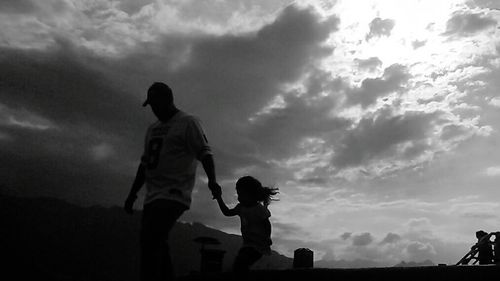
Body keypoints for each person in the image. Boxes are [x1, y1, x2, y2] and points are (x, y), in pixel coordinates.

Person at [124, 82, 220, 281]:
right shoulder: (153, 129)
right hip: (152, 195)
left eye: (156, 104)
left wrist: (212, 180)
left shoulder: (188, 122)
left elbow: (205, 153)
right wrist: (132, 193)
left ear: (167, 100)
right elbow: (145, 165)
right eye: (150, 105)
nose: (154, 109)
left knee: (150, 239)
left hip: (174, 193)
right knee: (157, 241)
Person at [212, 176, 278, 273]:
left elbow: (267, 225)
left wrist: (267, 238)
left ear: (251, 194)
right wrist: (219, 198)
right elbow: (227, 212)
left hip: (258, 246)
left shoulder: (259, 209)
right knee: (240, 265)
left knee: (240, 264)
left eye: (241, 194)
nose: (239, 198)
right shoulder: (241, 208)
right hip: (248, 244)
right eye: (238, 194)